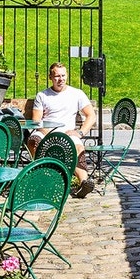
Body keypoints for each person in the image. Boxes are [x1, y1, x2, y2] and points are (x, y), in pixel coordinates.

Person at [26, 63, 98, 196]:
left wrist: (80, 132)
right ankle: (42, 177)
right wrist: (48, 133)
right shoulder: (42, 95)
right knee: (33, 141)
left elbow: (91, 115)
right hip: (45, 131)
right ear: (50, 77)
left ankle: (84, 183)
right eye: (57, 76)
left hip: (67, 132)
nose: (61, 79)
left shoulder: (77, 94)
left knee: (77, 145)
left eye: (63, 75)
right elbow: (37, 121)